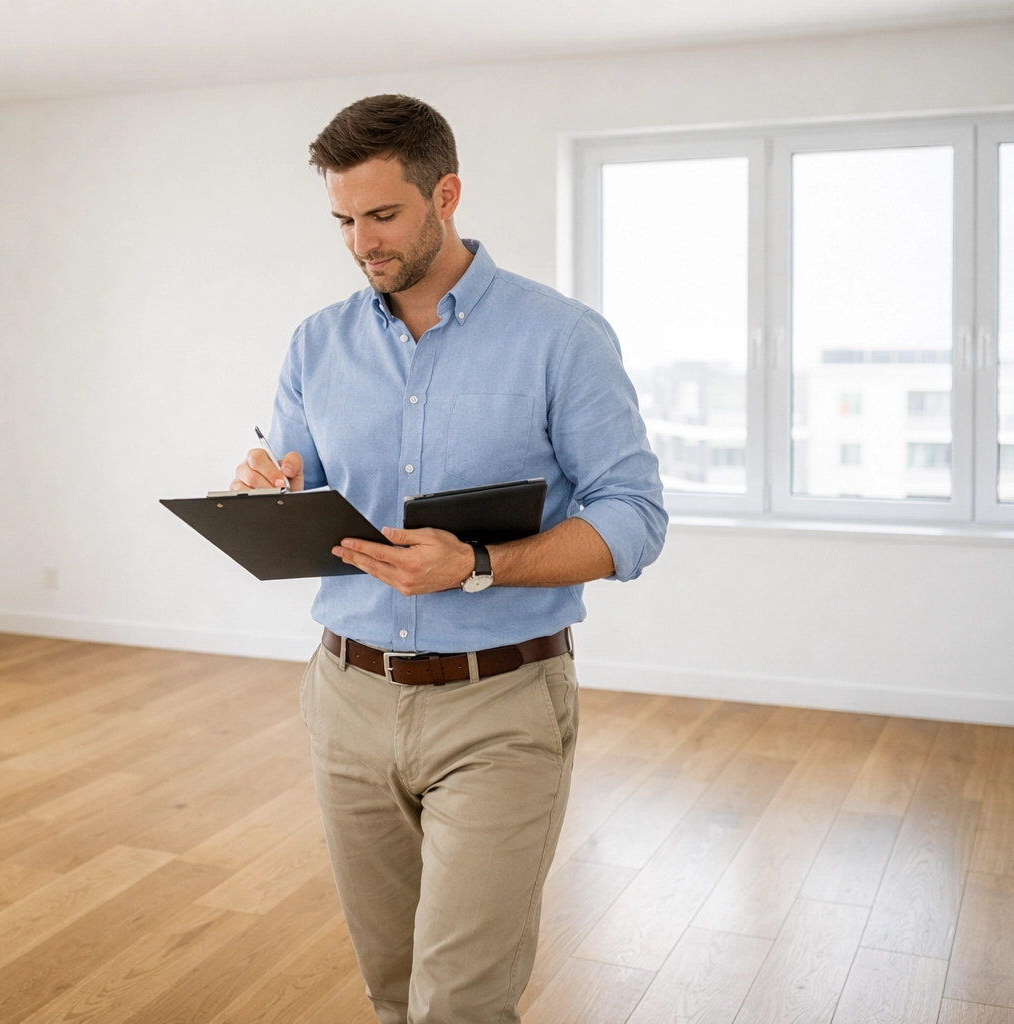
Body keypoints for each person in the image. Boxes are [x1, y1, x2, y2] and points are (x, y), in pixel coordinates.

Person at [229, 94, 666, 1024]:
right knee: (393, 990)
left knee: (460, 1003)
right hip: (345, 698)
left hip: (501, 708)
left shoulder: (560, 336)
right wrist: (272, 496)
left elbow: (634, 519)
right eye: (344, 220)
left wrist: (476, 564)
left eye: (383, 216)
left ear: (447, 194)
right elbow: (301, 484)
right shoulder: (317, 341)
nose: (361, 244)